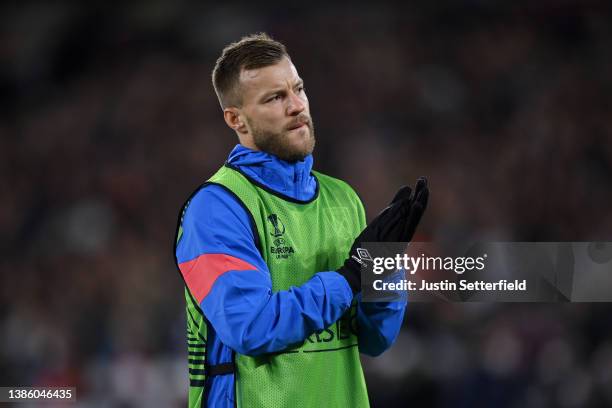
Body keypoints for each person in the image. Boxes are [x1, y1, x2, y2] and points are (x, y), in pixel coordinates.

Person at [174, 33, 429, 408]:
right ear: (236, 119)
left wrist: (384, 267)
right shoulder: (215, 209)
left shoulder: (342, 199)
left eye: (298, 89)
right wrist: (349, 278)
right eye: (275, 98)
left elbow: (376, 340)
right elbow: (250, 327)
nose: (296, 106)